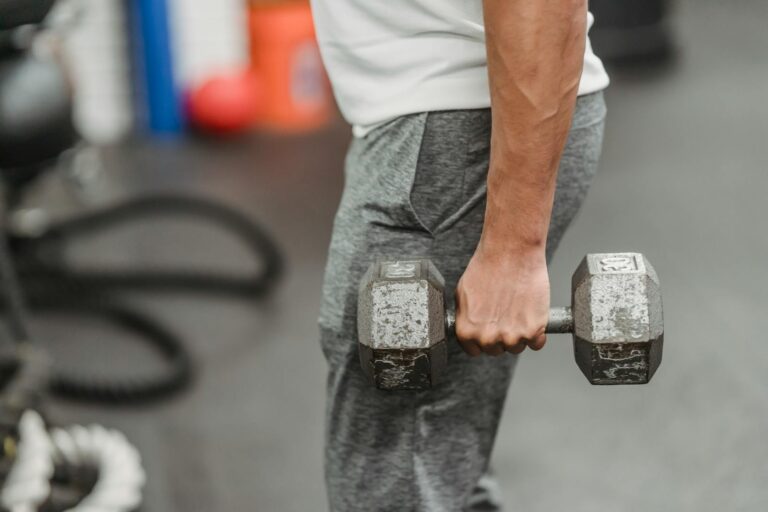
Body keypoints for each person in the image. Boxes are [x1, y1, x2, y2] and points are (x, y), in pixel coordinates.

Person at [310, 1, 609, 510]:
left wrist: (513, 250)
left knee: (394, 481)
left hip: (457, 133)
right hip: (437, 121)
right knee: (439, 462)